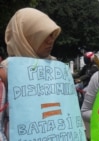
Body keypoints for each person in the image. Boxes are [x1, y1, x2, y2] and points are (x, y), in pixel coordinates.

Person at [0, 7, 61, 140]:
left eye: (52, 35)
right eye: (44, 35)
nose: (50, 40)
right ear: (25, 37)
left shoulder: (58, 71)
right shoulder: (5, 73)